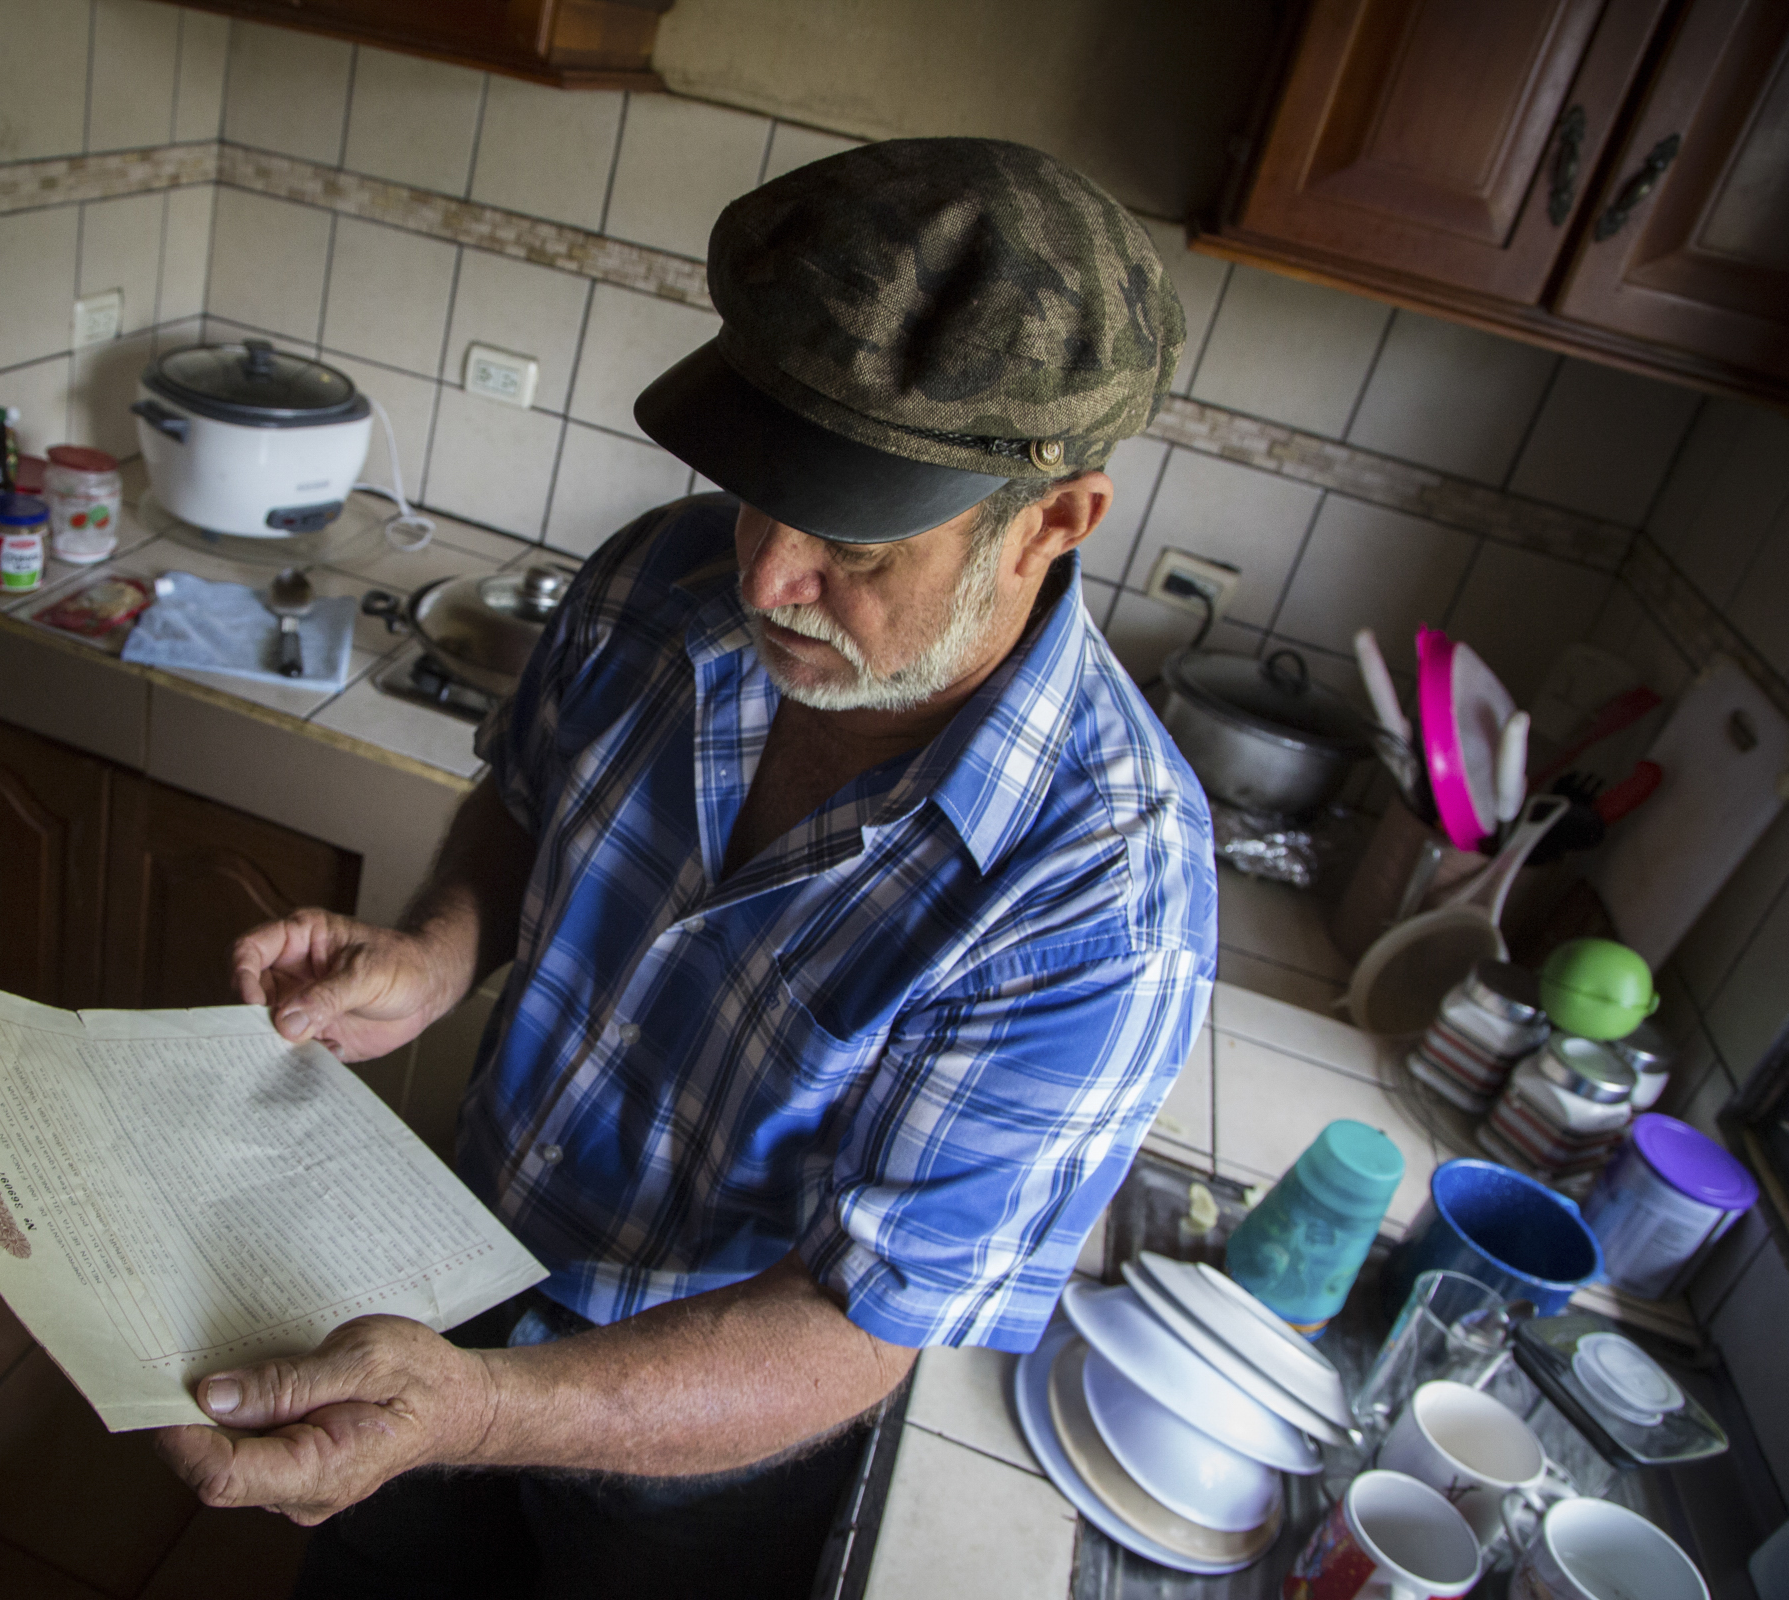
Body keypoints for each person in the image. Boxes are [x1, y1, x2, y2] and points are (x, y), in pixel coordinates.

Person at [153, 138, 1219, 1598]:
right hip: (445, 1281)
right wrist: (438, 956)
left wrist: (483, 1416)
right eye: (755, 493)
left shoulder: (1101, 898)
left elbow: (862, 1319)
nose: (769, 576)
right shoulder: (664, 579)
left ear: (1055, 520)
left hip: (696, 1460)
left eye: (850, 538)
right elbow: (528, 803)